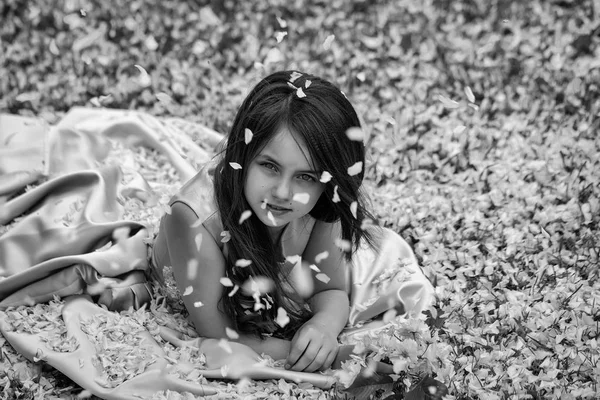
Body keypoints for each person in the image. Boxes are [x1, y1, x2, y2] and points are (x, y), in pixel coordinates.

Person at [151, 70, 431, 374]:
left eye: (305, 176)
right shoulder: (193, 217)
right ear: (243, 155)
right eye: (270, 166)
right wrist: (335, 356)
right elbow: (219, 333)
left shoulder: (323, 199)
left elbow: (331, 289)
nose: (283, 193)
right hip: (203, 298)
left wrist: (323, 326)